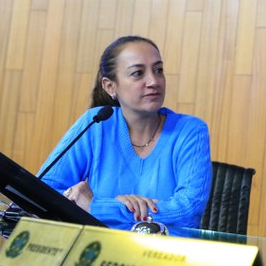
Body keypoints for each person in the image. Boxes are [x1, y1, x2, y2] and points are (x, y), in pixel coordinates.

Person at [40, 36, 212, 230]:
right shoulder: (96, 123)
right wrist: (77, 199)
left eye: (158, 70)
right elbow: (42, 192)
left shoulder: (190, 131)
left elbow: (188, 213)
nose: (153, 81)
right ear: (110, 86)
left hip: (166, 248)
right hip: (101, 247)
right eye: (138, 73)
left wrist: (98, 207)